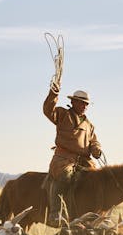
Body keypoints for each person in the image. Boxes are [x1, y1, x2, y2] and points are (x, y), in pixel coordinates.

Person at [43, 86, 102, 225]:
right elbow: (48, 110)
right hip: (64, 159)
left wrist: (96, 149)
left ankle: (94, 213)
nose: (85, 106)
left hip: (84, 161)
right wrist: (53, 94)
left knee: (98, 179)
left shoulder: (89, 125)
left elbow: (94, 141)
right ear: (74, 102)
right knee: (65, 175)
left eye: (86, 103)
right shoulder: (62, 114)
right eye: (82, 102)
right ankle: (55, 213)